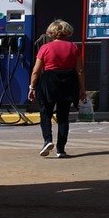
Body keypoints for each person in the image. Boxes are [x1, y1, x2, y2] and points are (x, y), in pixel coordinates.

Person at [32, 19, 84, 159]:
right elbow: (79, 70)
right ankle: (61, 149)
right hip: (68, 81)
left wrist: (32, 87)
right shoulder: (74, 47)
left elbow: (36, 71)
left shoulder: (45, 48)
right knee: (63, 116)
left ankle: (47, 141)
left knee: (45, 113)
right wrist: (82, 89)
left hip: (49, 81)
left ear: (51, 32)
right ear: (67, 32)